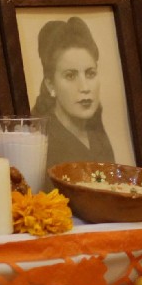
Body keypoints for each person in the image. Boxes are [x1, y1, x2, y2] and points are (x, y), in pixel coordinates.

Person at [32, 17, 114, 170]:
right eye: (70, 75)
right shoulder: (42, 143)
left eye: (90, 74)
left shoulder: (97, 135)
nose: (84, 87)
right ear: (50, 84)